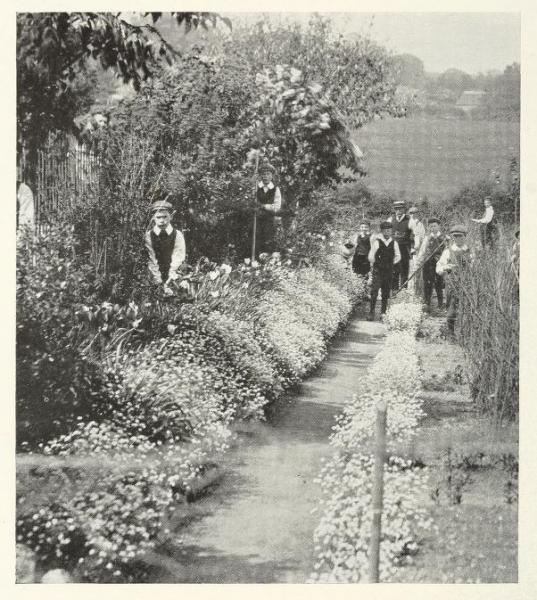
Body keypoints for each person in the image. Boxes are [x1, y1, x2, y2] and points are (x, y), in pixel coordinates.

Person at [145, 199, 186, 295]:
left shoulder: (177, 235)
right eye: (158, 217)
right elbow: (151, 259)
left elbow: (178, 258)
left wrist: (170, 280)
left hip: (174, 277)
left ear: (171, 217)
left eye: (165, 217)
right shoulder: (148, 235)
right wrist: (159, 281)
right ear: (153, 218)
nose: (162, 221)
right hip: (155, 277)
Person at [436, 225, 471, 335]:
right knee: (451, 308)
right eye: (455, 236)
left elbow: (476, 267)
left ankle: (465, 333)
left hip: (468, 283)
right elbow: (439, 267)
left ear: (465, 236)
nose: (457, 239)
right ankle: (451, 333)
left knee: (466, 308)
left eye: (460, 236)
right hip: (451, 283)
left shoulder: (470, 251)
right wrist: (446, 267)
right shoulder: (448, 251)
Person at [367, 221, 401, 320]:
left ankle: (383, 312)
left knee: (386, 292)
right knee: (374, 291)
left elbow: (398, 256)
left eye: (389, 230)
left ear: (391, 231)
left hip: (388, 271)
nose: (387, 232)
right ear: (382, 231)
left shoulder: (394, 243)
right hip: (378, 271)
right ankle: (371, 312)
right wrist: (377, 263)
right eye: (385, 230)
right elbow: (371, 256)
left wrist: (391, 263)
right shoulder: (377, 242)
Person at [417, 217, 446, 311]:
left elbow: (447, 252)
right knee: (427, 283)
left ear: (439, 226)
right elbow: (422, 250)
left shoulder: (444, 238)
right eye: (431, 226)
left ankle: (440, 304)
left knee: (438, 283)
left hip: (439, 264)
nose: (433, 228)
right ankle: (427, 303)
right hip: (428, 263)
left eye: (435, 226)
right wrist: (419, 261)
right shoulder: (427, 238)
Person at [256, 161, 282, 254]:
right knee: (256, 241)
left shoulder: (275, 189)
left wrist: (264, 206)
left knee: (268, 241)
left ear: (272, 176)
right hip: (256, 219)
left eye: (268, 174)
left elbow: (276, 206)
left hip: (269, 220)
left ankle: (267, 264)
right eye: (263, 174)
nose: (265, 176)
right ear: (260, 176)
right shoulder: (256, 188)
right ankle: (255, 263)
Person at [388, 199, 412, 290]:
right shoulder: (390, 220)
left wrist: (413, 246)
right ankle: (394, 290)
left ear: (404, 209)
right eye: (397, 209)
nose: (398, 211)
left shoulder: (410, 220)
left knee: (404, 270)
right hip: (393, 249)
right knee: (394, 269)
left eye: (401, 209)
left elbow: (415, 234)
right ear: (394, 210)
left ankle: (403, 290)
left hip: (404, 248)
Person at [408, 205, 426, 295]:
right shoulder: (408, 223)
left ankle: (417, 290)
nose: (412, 215)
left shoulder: (420, 224)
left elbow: (422, 237)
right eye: (410, 213)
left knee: (416, 269)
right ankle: (408, 290)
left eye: (414, 213)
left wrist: (416, 246)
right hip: (407, 249)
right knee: (408, 269)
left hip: (416, 250)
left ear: (417, 214)